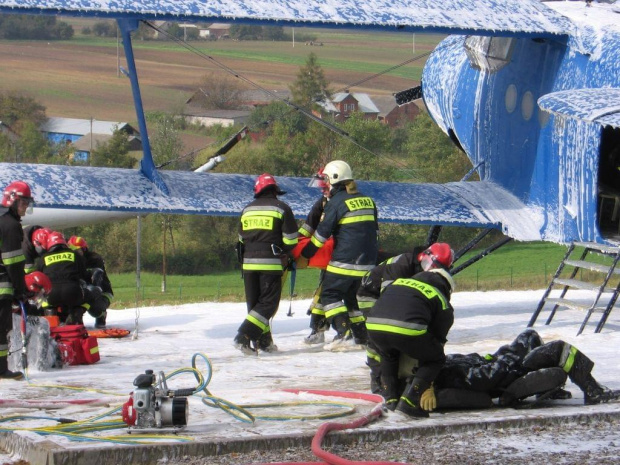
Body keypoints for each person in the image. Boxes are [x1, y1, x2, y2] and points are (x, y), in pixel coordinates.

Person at [366, 243, 456, 418]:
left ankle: (390, 401)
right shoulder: (441, 300)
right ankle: (408, 404)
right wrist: (427, 383)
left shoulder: (403, 281)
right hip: (406, 328)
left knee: (388, 355)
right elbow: (435, 344)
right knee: (436, 358)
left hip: (373, 324)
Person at [430, 329, 620, 410]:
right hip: (512, 373)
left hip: (505, 360)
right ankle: (592, 390)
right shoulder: (448, 375)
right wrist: (509, 359)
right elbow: (487, 378)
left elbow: (480, 361)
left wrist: (503, 354)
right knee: (560, 348)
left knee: (530, 335)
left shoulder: (444, 363)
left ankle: (546, 390)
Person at [300, 160, 378, 349]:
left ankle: (344, 332)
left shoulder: (336, 202)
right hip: (368, 263)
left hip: (345, 261)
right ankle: (361, 336)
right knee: (352, 299)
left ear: (335, 178)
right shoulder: (368, 200)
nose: (324, 184)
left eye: (326, 180)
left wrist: (305, 252)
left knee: (329, 295)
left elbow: (321, 234)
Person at [234, 173, 299, 354]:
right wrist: (284, 252)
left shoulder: (247, 210)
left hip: (247, 264)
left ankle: (264, 342)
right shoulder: (281, 208)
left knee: (255, 306)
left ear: (258, 190)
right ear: (275, 190)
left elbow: (241, 238)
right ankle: (243, 336)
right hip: (270, 263)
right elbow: (291, 240)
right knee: (268, 304)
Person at [0, 180, 35, 380]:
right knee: (1, 329)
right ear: (12, 201)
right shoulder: (10, 225)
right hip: (1, 286)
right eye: (23, 203)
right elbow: (13, 262)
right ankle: (1, 369)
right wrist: (21, 290)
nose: (26, 207)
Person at [296, 168, 332, 345]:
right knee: (322, 293)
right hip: (329, 257)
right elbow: (308, 227)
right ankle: (317, 330)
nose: (322, 190)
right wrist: (295, 244)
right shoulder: (322, 203)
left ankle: (350, 332)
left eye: (325, 186)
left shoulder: (343, 203)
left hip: (345, 257)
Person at [35, 230, 95, 325]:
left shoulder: (43, 259)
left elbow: (38, 278)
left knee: (42, 299)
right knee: (92, 293)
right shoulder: (74, 255)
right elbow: (84, 275)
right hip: (72, 292)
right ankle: (76, 314)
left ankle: (51, 316)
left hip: (51, 295)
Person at [68, 236, 113, 328]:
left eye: (77, 251)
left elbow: (96, 282)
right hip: (84, 289)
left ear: (84, 249)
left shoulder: (94, 259)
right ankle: (77, 323)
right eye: (72, 252)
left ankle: (101, 315)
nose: (75, 254)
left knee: (95, 309)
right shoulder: (71, 260)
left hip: (101, 291)